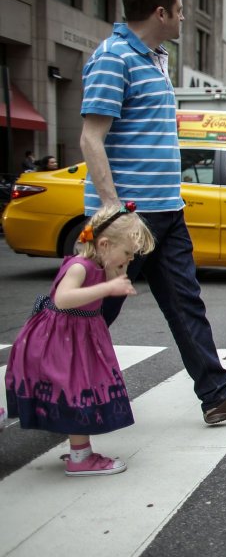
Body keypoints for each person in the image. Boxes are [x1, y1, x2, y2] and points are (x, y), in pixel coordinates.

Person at [79, 0, 226, 424]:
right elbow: (91, 138)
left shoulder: (155, 59)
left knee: (186, 304)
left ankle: (217, 395)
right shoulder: (113, 58)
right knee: (94, 309)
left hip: (166, 210)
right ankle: (47, 380)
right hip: (131, 216)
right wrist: (113, 211)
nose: (184, 17)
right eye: (180, 10)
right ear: (160, 13)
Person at [4, 203, 155, 475]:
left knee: (79, 391)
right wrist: (108, 287)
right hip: (59, 340)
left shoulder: (98, 264)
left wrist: (114, 274)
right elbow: (63, 299)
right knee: (76, 392)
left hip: (78, 337)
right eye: (127, 253)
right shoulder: (80, 266)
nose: (131, 259)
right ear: (105, 245)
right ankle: (80, 458)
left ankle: (79, 454)